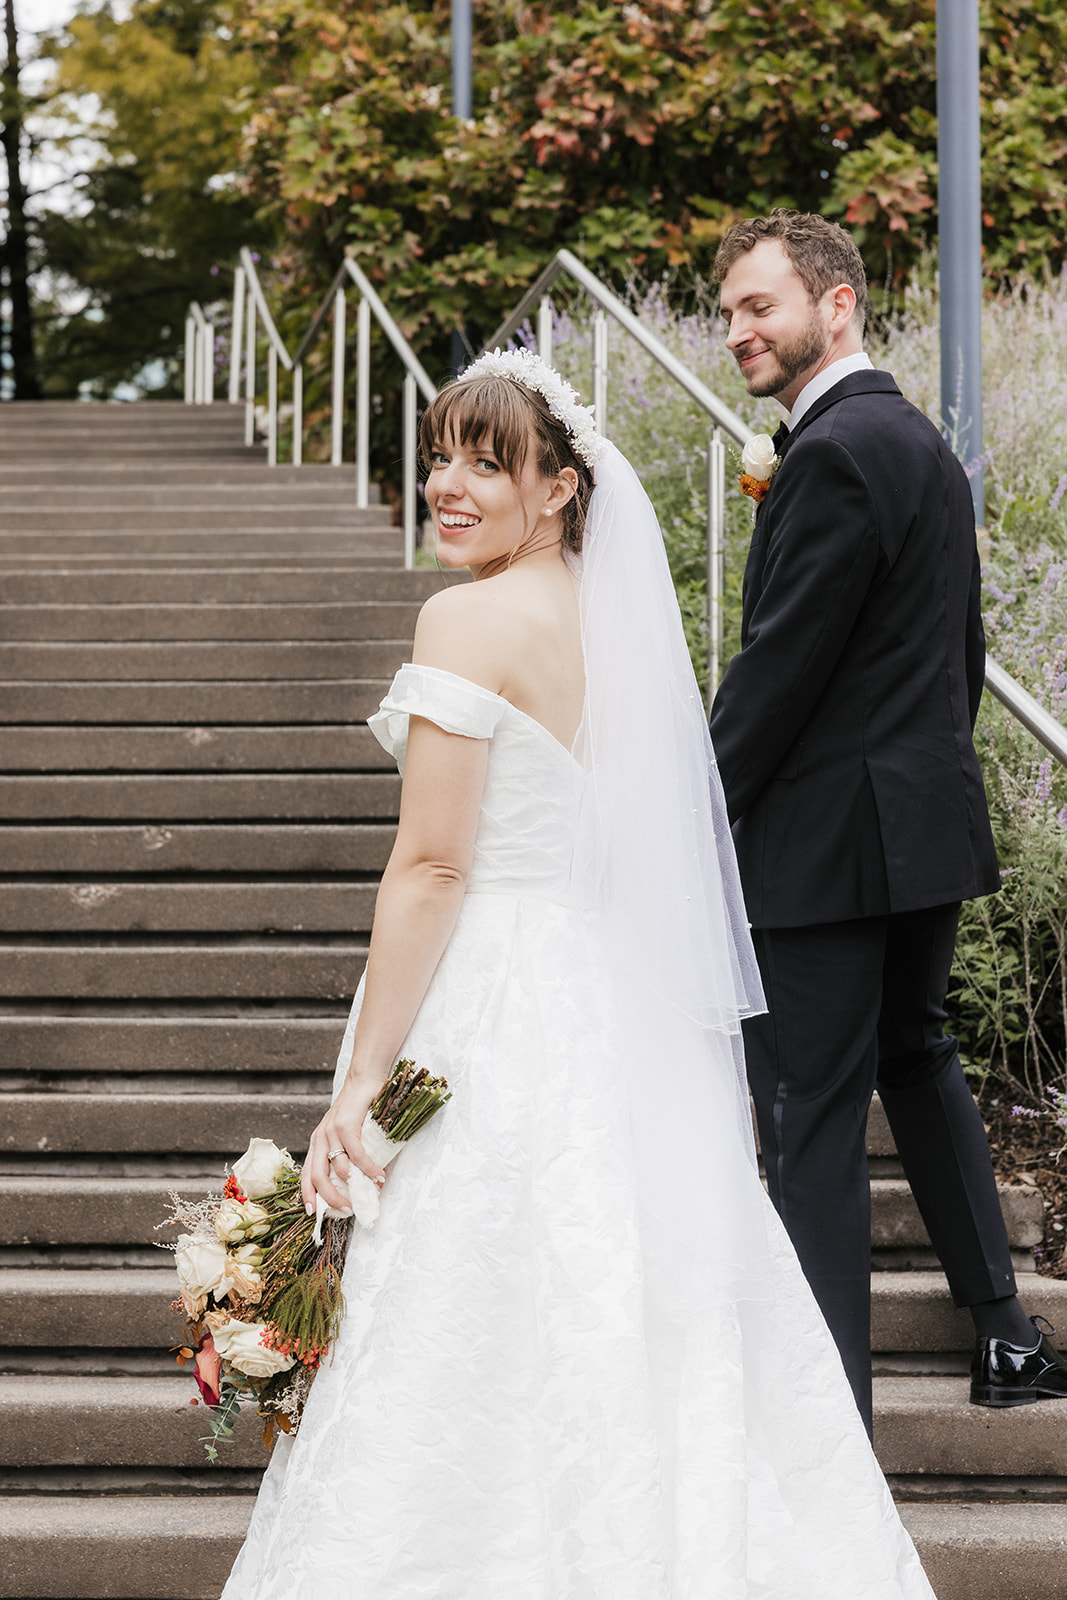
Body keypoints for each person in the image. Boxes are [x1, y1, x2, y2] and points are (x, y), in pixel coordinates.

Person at [220, 349, 937, 1599]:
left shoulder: (464, 618)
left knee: (464, 1308)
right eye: (439, 455)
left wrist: (363, 1084)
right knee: (634, 1307)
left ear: (556, 487)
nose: (447, 483)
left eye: (484, 464)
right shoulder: (603, 625)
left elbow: (435, 867)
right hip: (606, 1005)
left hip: (492, 998)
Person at [709, 209, 1067, 1435]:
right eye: (727, 313)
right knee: (914, 1059)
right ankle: (1005, 1335)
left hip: (825, 849)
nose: (737, 331)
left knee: (806, 1112)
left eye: (760, 306)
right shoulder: (910, 437)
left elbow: (776, 673)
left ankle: (825, 1418)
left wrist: (691, 808)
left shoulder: (830, 451)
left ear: (836, 302)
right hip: (916, 825)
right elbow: (952, 656)